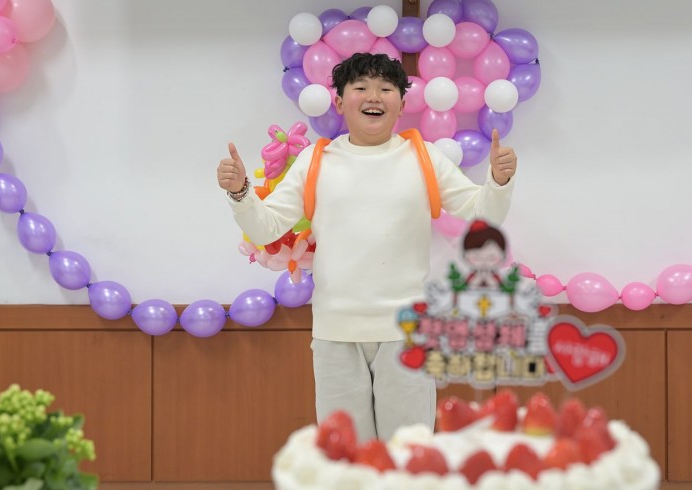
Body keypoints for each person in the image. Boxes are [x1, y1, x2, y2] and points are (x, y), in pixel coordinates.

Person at [217, 52, 518, 442]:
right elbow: (266, 228)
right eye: (360, 87)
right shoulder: (315, 161)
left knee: (407, 453)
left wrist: (498, 181)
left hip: (407, 331)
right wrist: (240, 192)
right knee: (346, 456)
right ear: (340, 102)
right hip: (335, 333)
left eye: (385, 88)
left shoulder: (425, 156)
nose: (373, 96)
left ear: (402, 104)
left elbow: (482, 214)